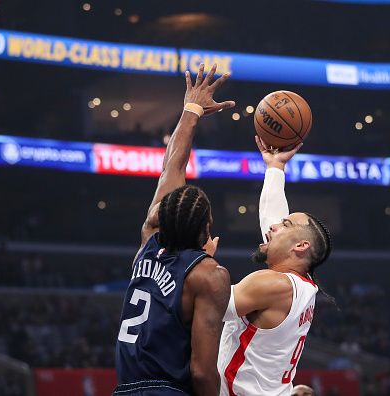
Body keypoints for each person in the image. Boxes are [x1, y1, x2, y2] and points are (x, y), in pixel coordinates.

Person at [114, 64, 234, 396]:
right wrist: (206, 264)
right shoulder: (210, 276)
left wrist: (192, 109)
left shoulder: (149, 240)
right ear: (206, 227)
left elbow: (172, 165)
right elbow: (201, 373)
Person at [218, 137, 332, 396]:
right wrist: (275, 167)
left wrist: (194, 258)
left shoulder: (274, 284)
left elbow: (205, 304)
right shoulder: (302, 287)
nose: (274, 226)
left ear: (301, 246)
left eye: (286, 225)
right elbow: (272, 226)